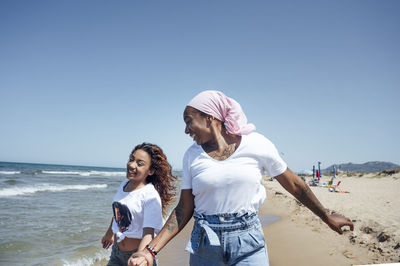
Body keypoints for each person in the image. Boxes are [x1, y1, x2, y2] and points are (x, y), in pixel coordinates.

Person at [128, 90, 354, 266]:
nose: (186, 130)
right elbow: (183, 209)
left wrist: (325, 216)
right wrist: (150, 251)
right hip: (205, 245)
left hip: (249, 243)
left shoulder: (257, 143)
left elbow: (294, 184)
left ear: (209, 117)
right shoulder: (191, 156)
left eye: (189, 121)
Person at [101, 143, 176, 266]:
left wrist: (140, 257)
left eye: (139, 163)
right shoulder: (124, 185)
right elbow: (118, 212)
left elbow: (148, 233)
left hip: (138, 255)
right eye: (131, 159)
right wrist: (109, 234)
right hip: (116, 253)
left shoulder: (150, 195)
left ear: (150, 171)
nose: (131, 165)